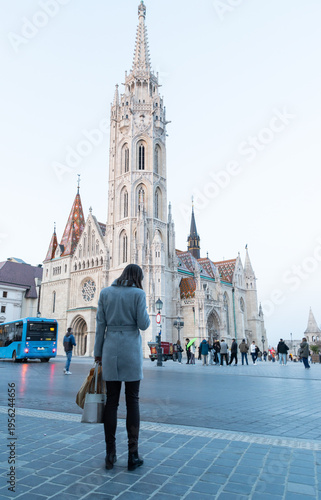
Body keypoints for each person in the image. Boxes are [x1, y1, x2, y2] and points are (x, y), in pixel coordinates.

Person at [94, 264, 150, 471]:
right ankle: (133, 455)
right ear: (138, 277)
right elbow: (143, 325)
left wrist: (97, 354)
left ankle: (110, 454)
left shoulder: (105, 293)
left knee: (111, 403)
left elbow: (100, 325)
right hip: (131, 353)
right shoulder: (138, 293)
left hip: (110, 351)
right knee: (132, 401)